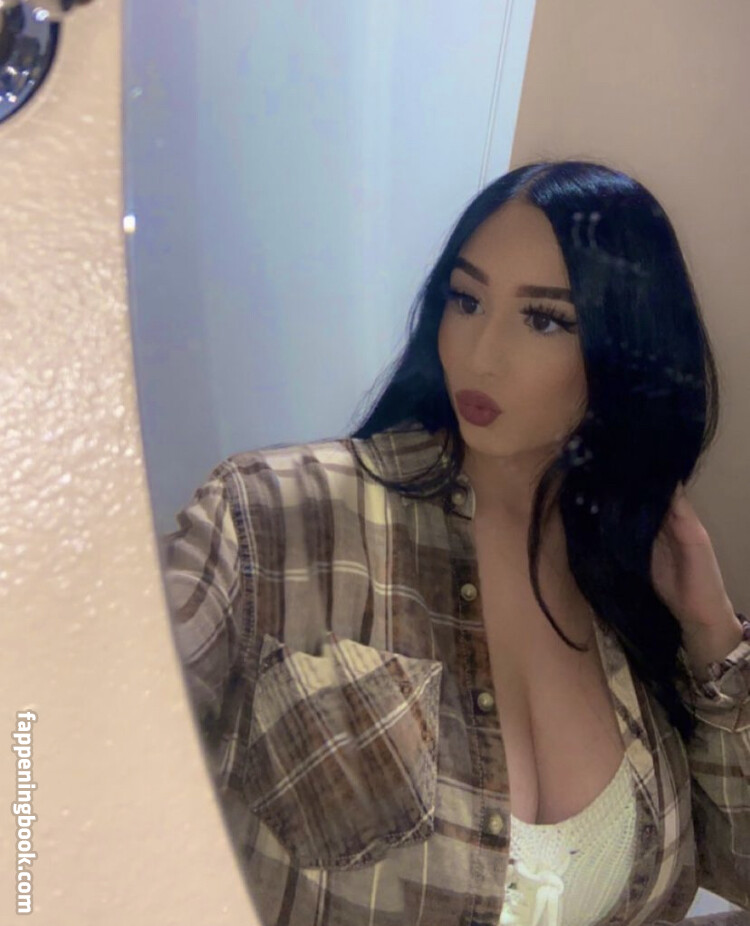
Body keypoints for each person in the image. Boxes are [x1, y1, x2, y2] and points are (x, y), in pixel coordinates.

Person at [160, 161, 750, 926]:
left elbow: (737, 865)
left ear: (627, 353)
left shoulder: (635, 592)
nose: (481, 354)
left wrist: (712, 635)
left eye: (544, 320)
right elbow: (62, 779)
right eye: (466, 300)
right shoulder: (272, 516)